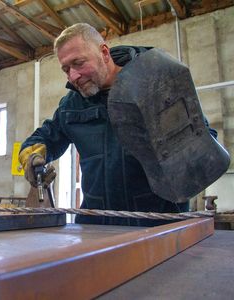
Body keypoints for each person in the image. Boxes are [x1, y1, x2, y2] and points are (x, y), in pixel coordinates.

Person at [18, 23, 218, 226]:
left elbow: (202, 142)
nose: (73, 76)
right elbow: (44, 138)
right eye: (66, 69)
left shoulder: (155, 84)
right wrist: (33, 157)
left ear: (104, 53)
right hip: (95, 227)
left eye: (78, 63)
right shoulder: (71, 105)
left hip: (158, 224)